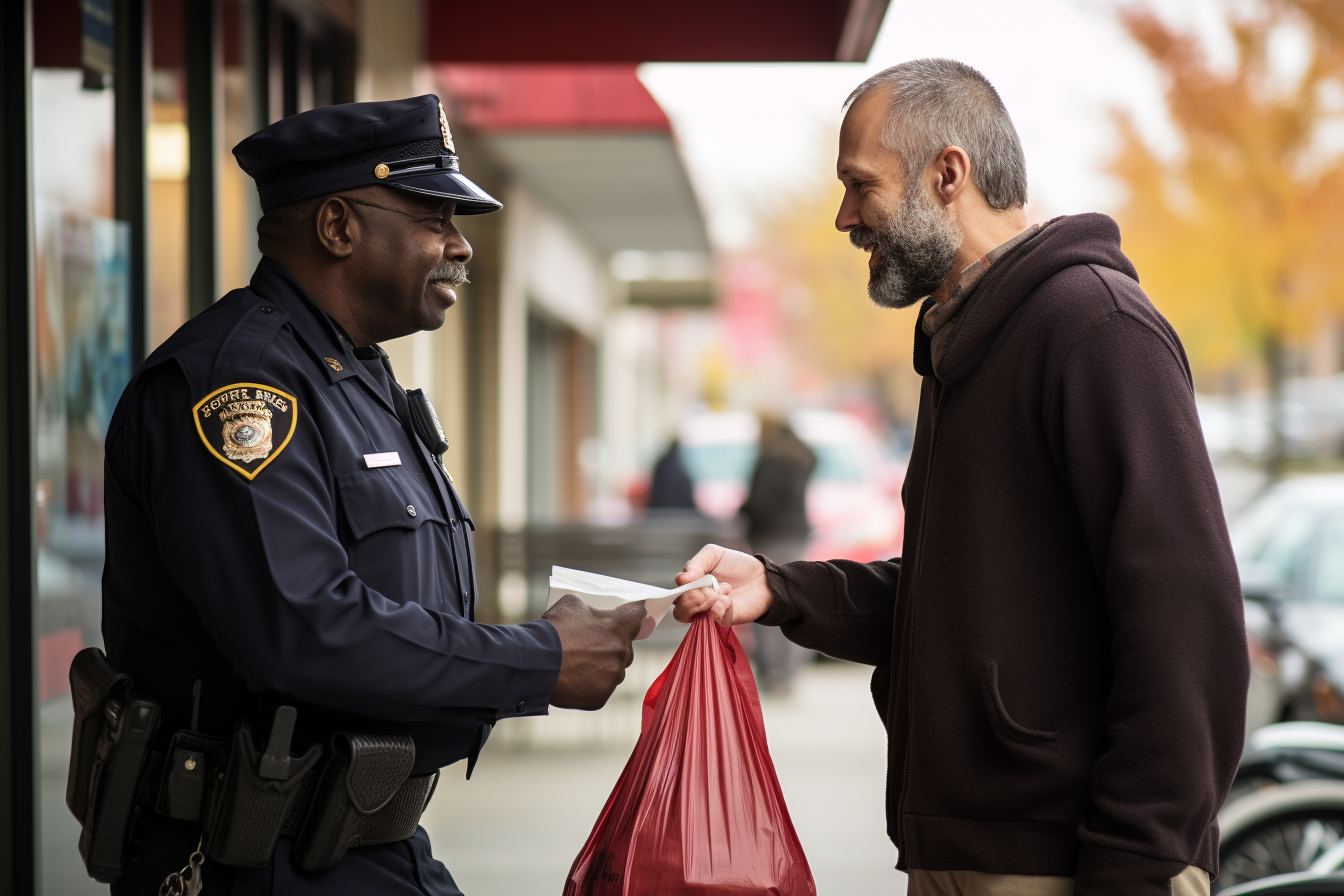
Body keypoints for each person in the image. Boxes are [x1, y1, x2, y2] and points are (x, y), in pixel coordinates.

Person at [675, 59, 1248, 896]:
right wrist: (777, 588)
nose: (843, 217)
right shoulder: (963, 346)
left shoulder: (1096, 330)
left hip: (1069, 863)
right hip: (961, 855)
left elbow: (1187, 628)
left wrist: (1138, 862)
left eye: (859, 184)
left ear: (949, 173)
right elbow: (959, 601)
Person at [100, 95, 643, 895]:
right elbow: (303, 628)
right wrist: (540, 658)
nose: (460, 245)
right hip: (250, 858)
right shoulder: (240, 387)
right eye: (434, 217)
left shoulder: (354, 376)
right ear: (337, 228)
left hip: (366, 844)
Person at [739, 415, 816, 693]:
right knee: (794, 600)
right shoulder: (801, 460)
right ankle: (789, 670)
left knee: (768, 601)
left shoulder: (769, 462)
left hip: (769, 536)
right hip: (796, 535)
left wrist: (742, 513)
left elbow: (759, 502)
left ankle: (773, 673)